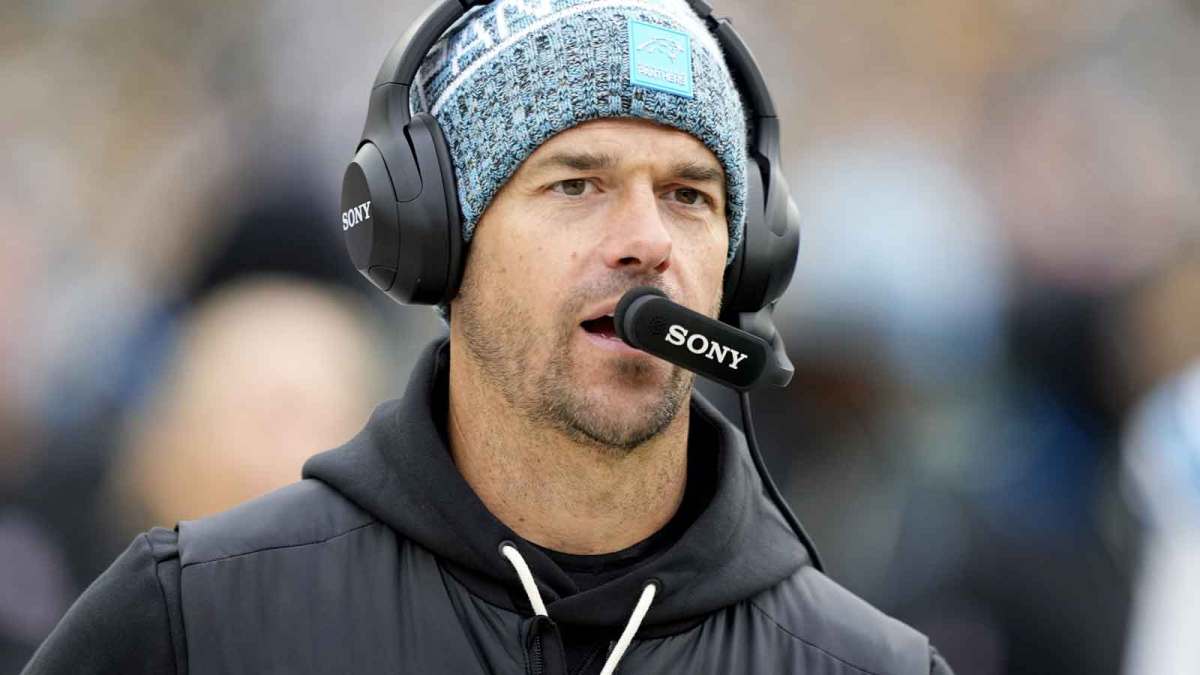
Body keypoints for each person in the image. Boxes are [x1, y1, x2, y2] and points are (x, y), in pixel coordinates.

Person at [24, 1, 954, 673]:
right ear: (437, 241)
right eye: (576, 184)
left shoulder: (868, 664)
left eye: (688, 195)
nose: (647, 242)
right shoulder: (193, 615)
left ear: (747, 263)